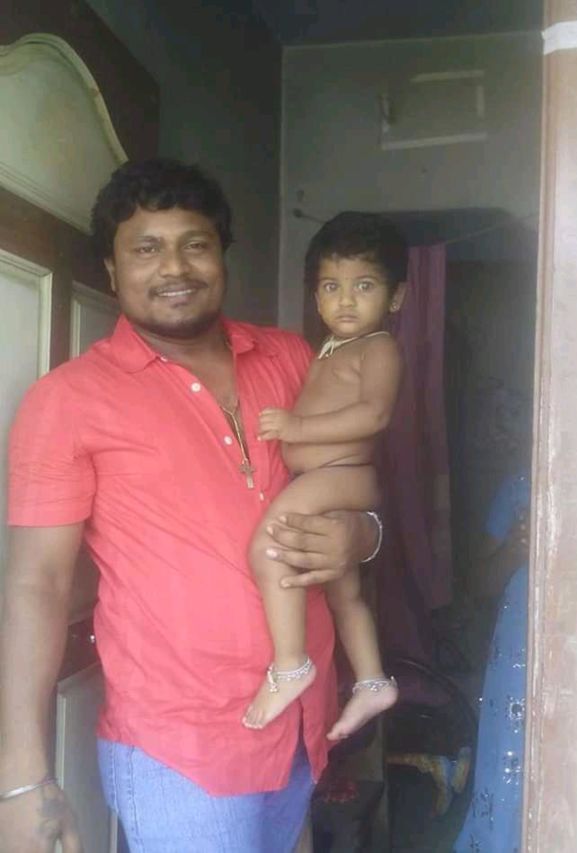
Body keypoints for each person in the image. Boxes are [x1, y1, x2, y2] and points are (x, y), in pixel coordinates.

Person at [0, 159, 382, 853]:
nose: (174, 266)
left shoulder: (292, 358)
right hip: (180, 750)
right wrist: (22, 779)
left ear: (221, 255)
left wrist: (364, 533)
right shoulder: (67, 401)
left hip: (301, 723)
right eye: (146, 248)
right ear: (112, 270)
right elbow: (37, 584)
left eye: (194, 244)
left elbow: (356, 474)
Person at [244, 213, 405, 736]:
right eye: (332, 287)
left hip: (342, 474)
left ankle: (291, 664)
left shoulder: (379, 347)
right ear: (316, 299)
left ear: (396, 297)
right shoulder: (330, 348)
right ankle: (373, 682)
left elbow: (374, 414)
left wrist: (297, 427)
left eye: (365, 286)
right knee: (343, 592)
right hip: (330, 479)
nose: (347, 300)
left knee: (268, 547)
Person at [453, 471, 529, 852]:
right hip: (517, 653)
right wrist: (513, 553)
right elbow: (477, 583)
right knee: (507, 761)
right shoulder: (518, 488)